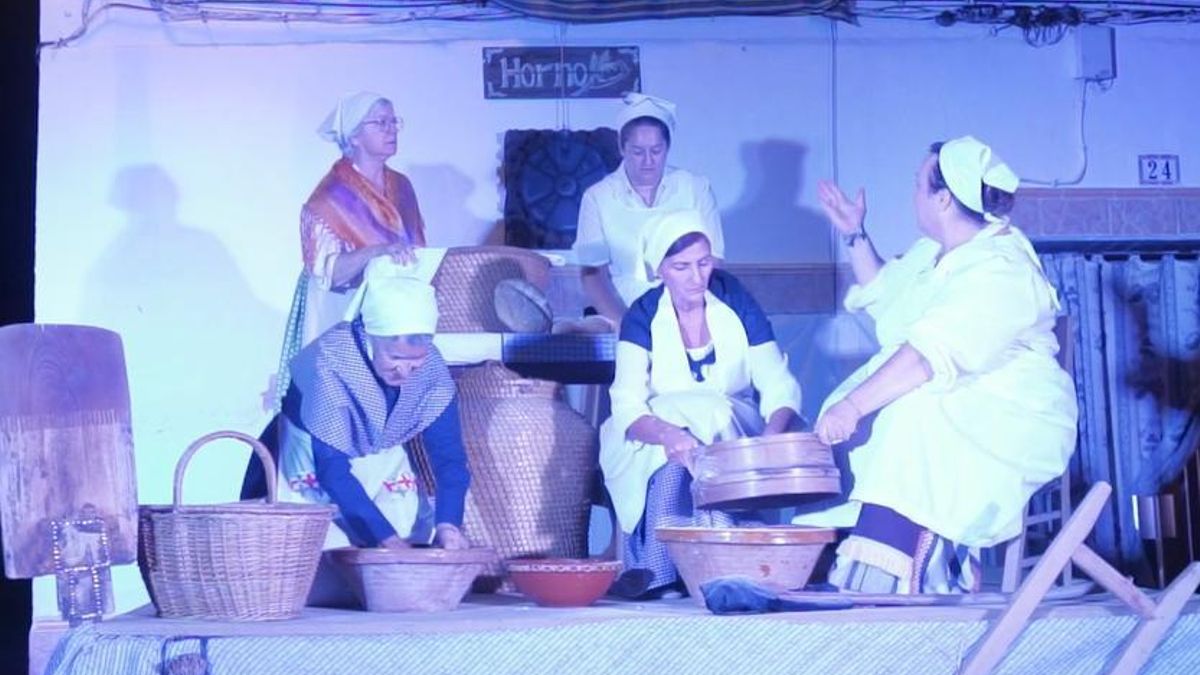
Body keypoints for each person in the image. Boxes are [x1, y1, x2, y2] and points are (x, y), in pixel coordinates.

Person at [802, 136, 1078, 594]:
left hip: (1011, 413)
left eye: (918, 185)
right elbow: (890, 296)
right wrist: (854, 234)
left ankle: (917, 571)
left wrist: (853, 407)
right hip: (960, 392)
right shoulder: (933, 253)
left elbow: (929, 355)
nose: (913, 195)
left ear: (944, 199)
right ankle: (884, 552)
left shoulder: (1001, 267)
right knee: (875, 410)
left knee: (909, 414)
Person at [599, 209, 802, 599]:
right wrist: (668, 435)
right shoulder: (642, 315)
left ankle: (712, 564)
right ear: (659, 269)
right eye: (682, 267)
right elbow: (626, 405)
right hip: (659, 430)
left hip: (732, 423)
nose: (696, 277)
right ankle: (659, 570)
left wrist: (769, 440)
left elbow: (778, 382)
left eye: (704, 263)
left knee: (710, 414)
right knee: (671, 461)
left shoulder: (734, 299)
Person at [276, 260, 470, 554]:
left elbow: (449, 458)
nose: (405, 371)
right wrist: (384, 538)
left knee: (410, 532)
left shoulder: (432, 370)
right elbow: (332, 469)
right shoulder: (330, 364)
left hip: (381, 448)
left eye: (415, 361)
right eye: (395, 358)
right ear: (369, 338)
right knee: (320, 548)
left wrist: (449, 525)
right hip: (314, 454)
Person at [270, 92, 429, 409]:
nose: (391, 129)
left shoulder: (402, 186)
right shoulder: (330, 196)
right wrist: (376, 252)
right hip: (341, 311)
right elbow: (328, 273)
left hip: (391, 311)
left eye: (394, 122)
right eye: (380, 122)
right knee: (341, 403)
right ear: (354, 136)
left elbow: (416, 248)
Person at [572, 93, 725, 326]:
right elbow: (592, 274)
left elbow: (713, 261)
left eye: (656, 150)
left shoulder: (695, 189)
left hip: (686, 315)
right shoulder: (598, 197)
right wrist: (625, 323)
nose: (647, 161)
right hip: (619, 313)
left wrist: (689, 318)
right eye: (637, 151)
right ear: (622, 148)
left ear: (667, 148)